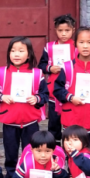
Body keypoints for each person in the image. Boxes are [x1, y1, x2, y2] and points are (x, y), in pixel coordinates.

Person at [0, 36, 48, 178]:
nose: (16, 54)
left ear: (29, 54)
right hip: (9, 122)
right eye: (13, 50)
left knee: (32, 153)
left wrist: (37, 99)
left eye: (21, 51)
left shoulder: (37, 74)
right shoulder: (1, 73)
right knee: (10, 155)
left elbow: (45, 95)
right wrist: (1, 97)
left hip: (30, 122)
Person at [38, 14, 77, 144]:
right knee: (54, 122)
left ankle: (69, 147)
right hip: (53, 91)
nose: (64, 34)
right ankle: (54, 149)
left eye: (67, 30)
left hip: (70, 92)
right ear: (55, 30)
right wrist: (50, 68)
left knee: (70, 122)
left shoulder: (77, 48)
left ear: (73, 30)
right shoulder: (49, 47)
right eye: (60, 30)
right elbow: (41, 65)